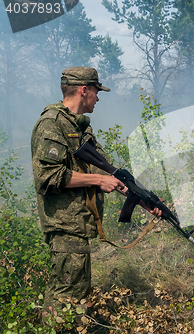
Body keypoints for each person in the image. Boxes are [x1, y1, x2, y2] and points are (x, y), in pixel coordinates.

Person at [31, 66, 160, 315]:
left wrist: (143, 199)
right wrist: (97, 181)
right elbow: (48, 177)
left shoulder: (79, 127)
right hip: (64, 226)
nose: (98, 98)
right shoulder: (51, 124)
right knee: (65, 301)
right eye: (96, 91)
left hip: (77, 227)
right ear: (83, 90)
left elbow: (110, 172)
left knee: (75, 298)